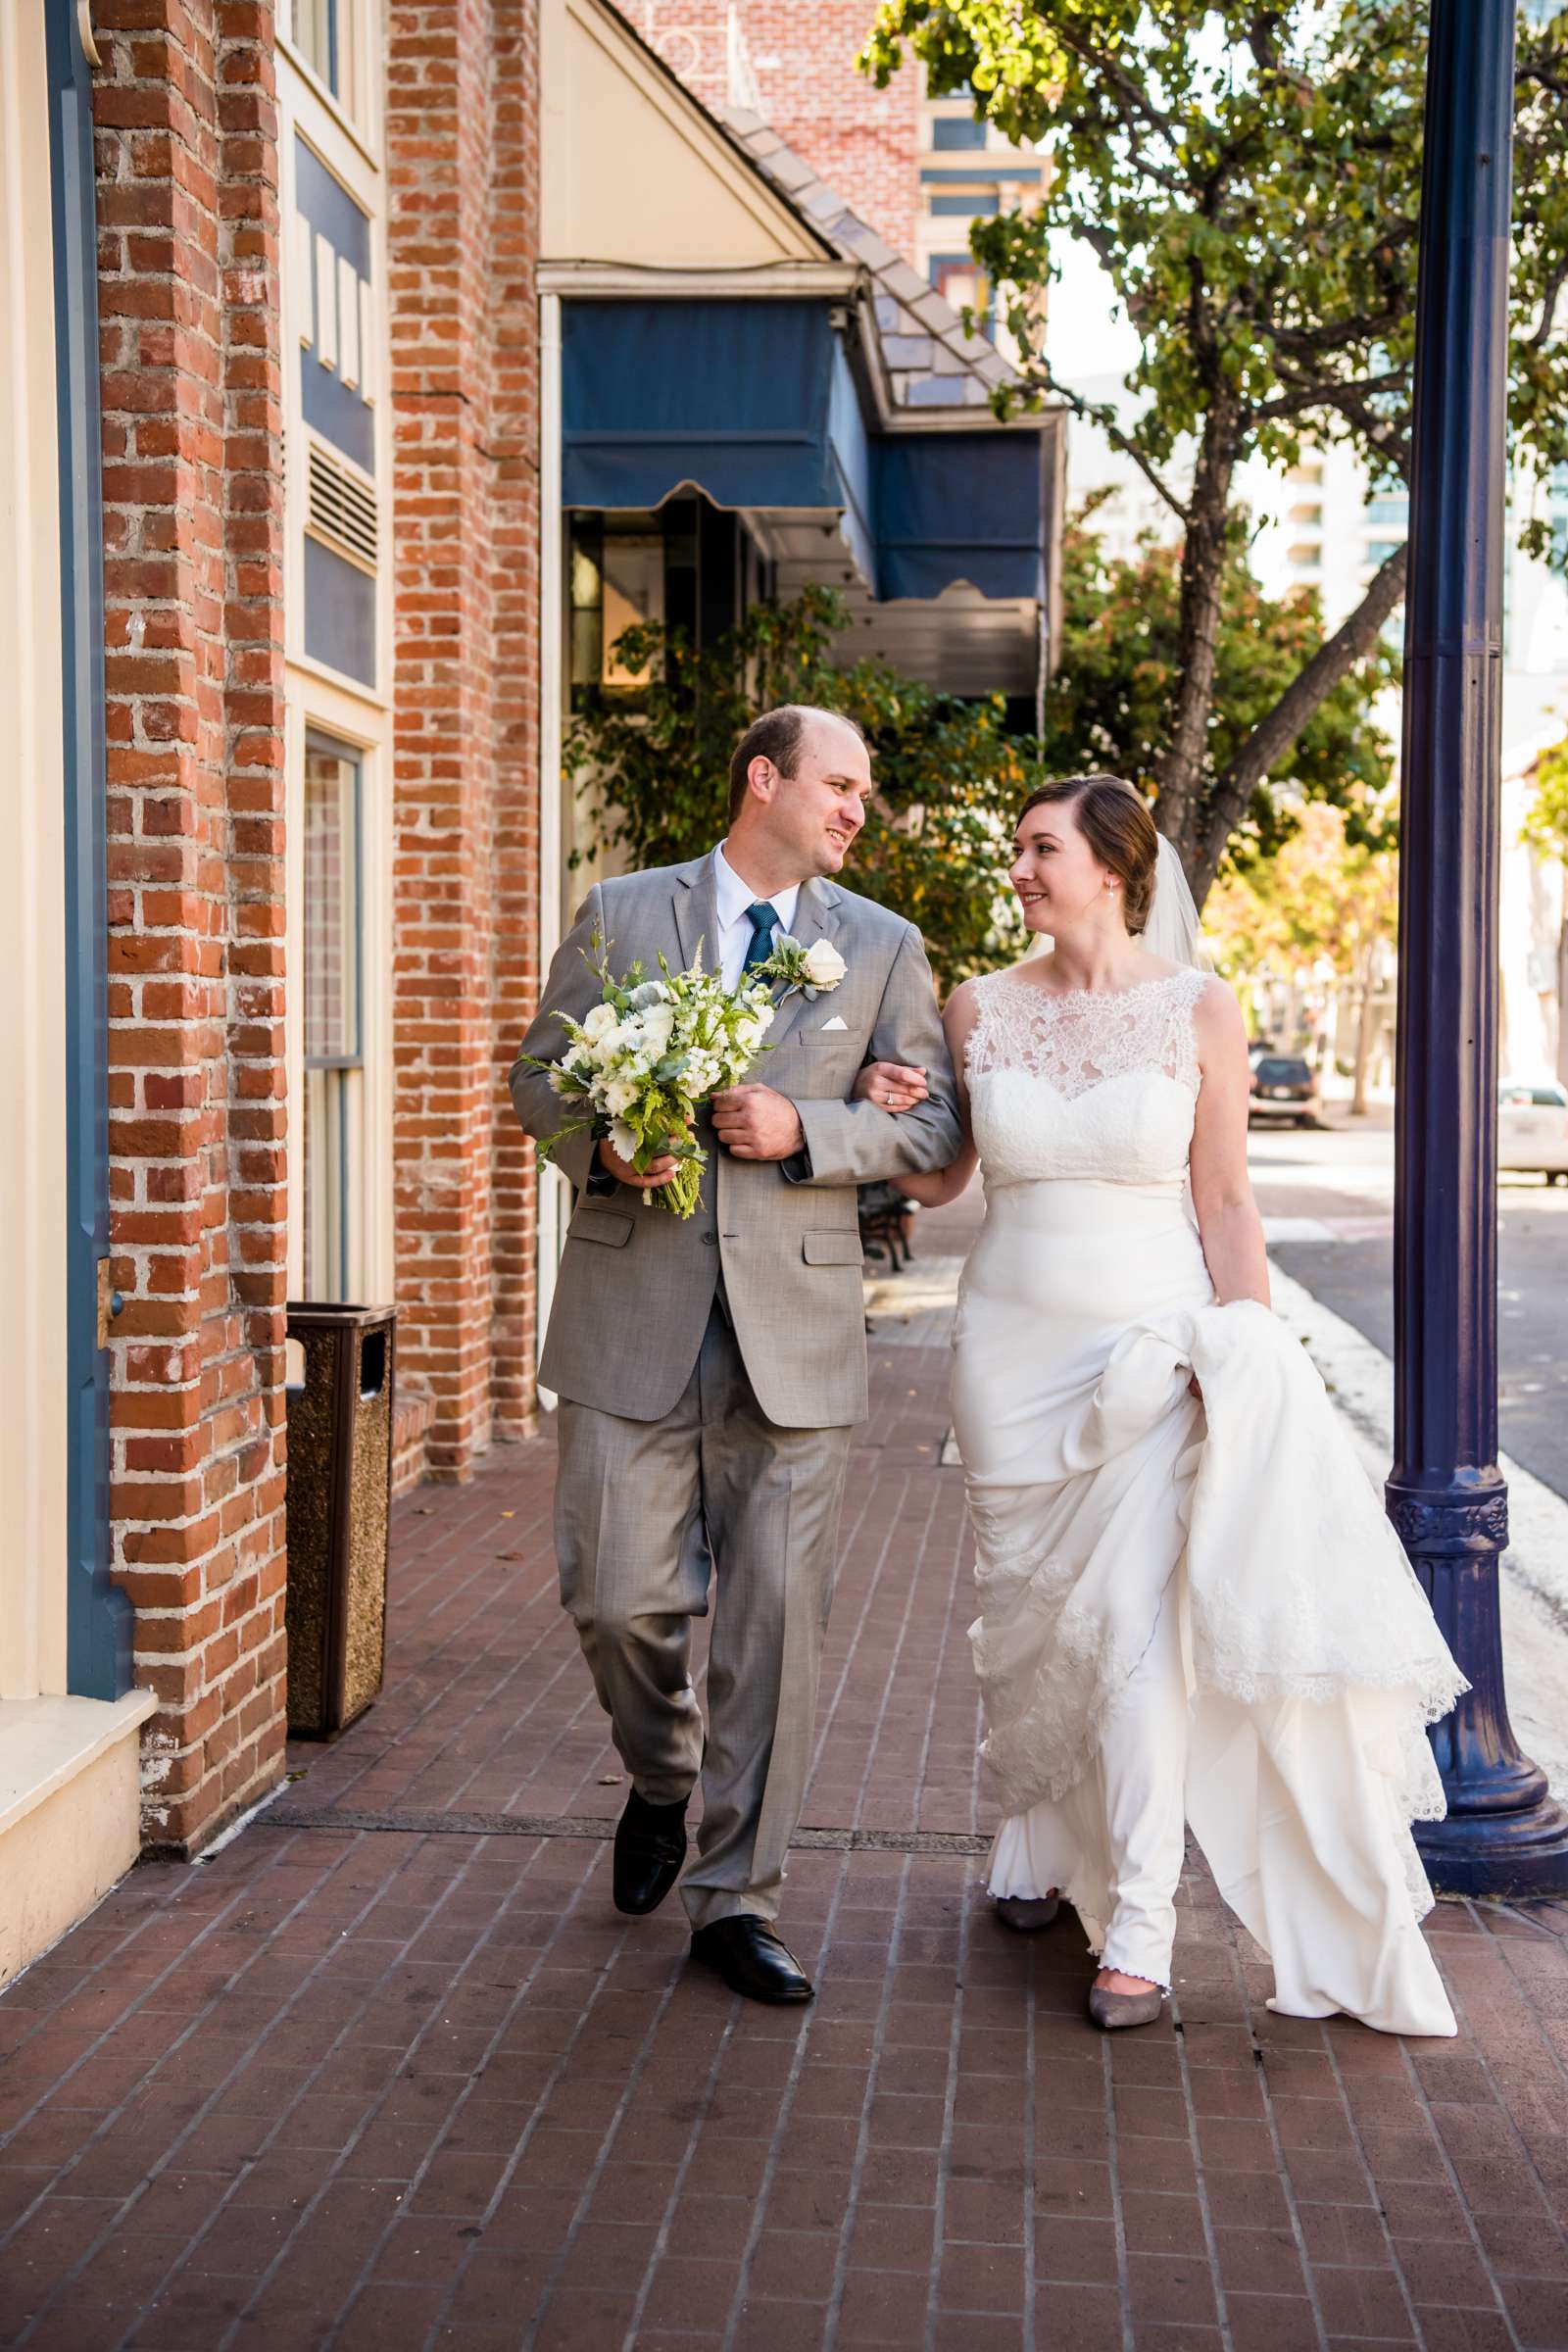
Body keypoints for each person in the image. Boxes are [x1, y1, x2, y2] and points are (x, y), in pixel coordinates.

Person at [856, 774, 1466, 2034]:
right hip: (1009, 1356)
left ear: (1116, 867)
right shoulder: (976, 1006)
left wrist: (1243, 1347)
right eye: (1018, 850)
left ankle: (1140, 1924)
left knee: (1134, 1636)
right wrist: (889, 1110)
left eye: (1040, 849)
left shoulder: (1200, 1008)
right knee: (1027, 1616)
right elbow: (937, 1187)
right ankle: (1033, 1845)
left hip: (1152, 1358)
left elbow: (1226, 1201)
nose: (1020, 870)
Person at [509, 706, 961, 2004]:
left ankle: (737, 1901)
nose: (855, 809)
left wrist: (809, 1127)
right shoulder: (623, 913)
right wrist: (603, 1144)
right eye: (837, 784)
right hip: (629, 1312)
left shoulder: (878, 946)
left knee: (775, 1631)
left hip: (797, 1336)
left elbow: (930, 1124)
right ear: (761, 778)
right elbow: (543, 1077)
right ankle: (662, 1774)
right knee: (612, 1592)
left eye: (864, 792)